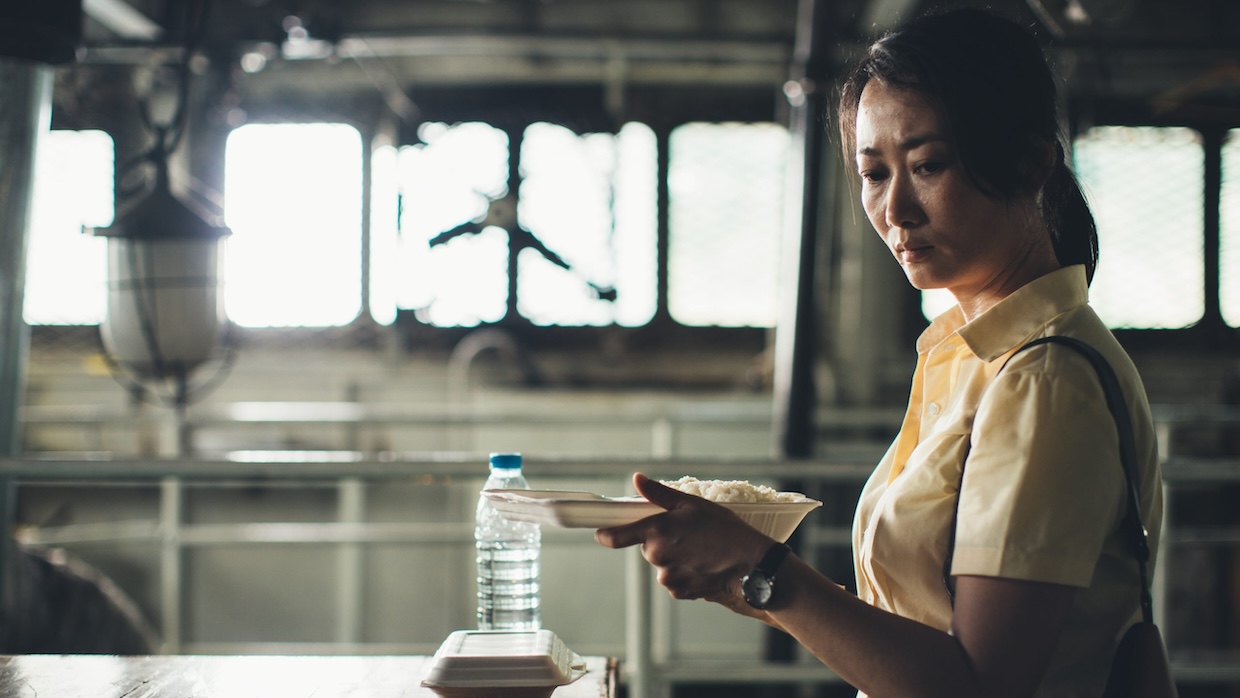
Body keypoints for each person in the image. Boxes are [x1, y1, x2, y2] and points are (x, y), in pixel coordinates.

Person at [595, 8, 1164, 698]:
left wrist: (765, 563)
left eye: (927, 164)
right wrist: (740, 574)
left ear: (1029, 161)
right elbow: (915, 632)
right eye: (873, 172)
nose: (895, 209)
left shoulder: (1042, 378)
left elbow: (977, 687)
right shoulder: (972, 356)